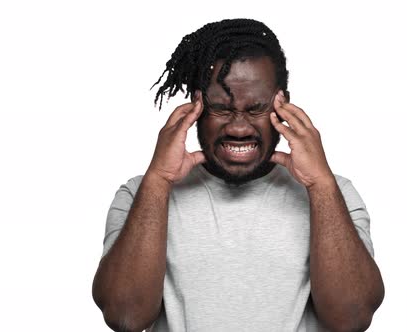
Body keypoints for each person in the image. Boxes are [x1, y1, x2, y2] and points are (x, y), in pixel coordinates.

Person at [92, 18, 384, 332]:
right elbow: (125, 316)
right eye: (221, 108)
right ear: (197, 105)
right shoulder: (142, 193)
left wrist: (320, 184)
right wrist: (159, 179)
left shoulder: (334, 193)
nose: (239, 128)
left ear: (282, 104)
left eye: (256, 108)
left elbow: (353, 319)